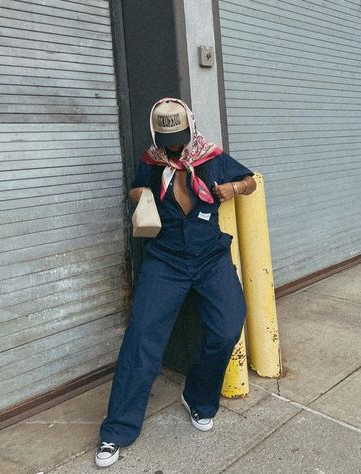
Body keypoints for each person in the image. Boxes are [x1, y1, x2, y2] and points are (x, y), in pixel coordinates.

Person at [95, 97, 256, 467]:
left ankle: (198, 397)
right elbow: (135, 189)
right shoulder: (152, 161)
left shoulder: (211, 157)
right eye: (169, 138)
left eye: (180, 136)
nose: (175, 145)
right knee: (142, 337)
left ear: (191, 128)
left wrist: (233, 189)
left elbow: (250, 181)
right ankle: (116, 431)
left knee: (228, 325)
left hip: (210, 256)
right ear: (157, 134)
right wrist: (145, 195)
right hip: (166, 260)